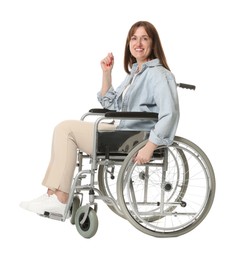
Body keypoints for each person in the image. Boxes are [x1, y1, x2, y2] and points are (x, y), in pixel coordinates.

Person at [20, 20, 180, 216]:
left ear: (153, 43)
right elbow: (111, 104)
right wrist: (106, 73)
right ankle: (53, 194)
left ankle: (60, 198)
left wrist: (150, 146)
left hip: (135, 137)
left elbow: (170, 115)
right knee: (64, 130)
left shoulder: (159, 75)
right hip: (124, 130)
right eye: (134, 38)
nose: (138, 43)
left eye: (144, 38)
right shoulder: (136, 73)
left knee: (66, 129)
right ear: (129, 44)